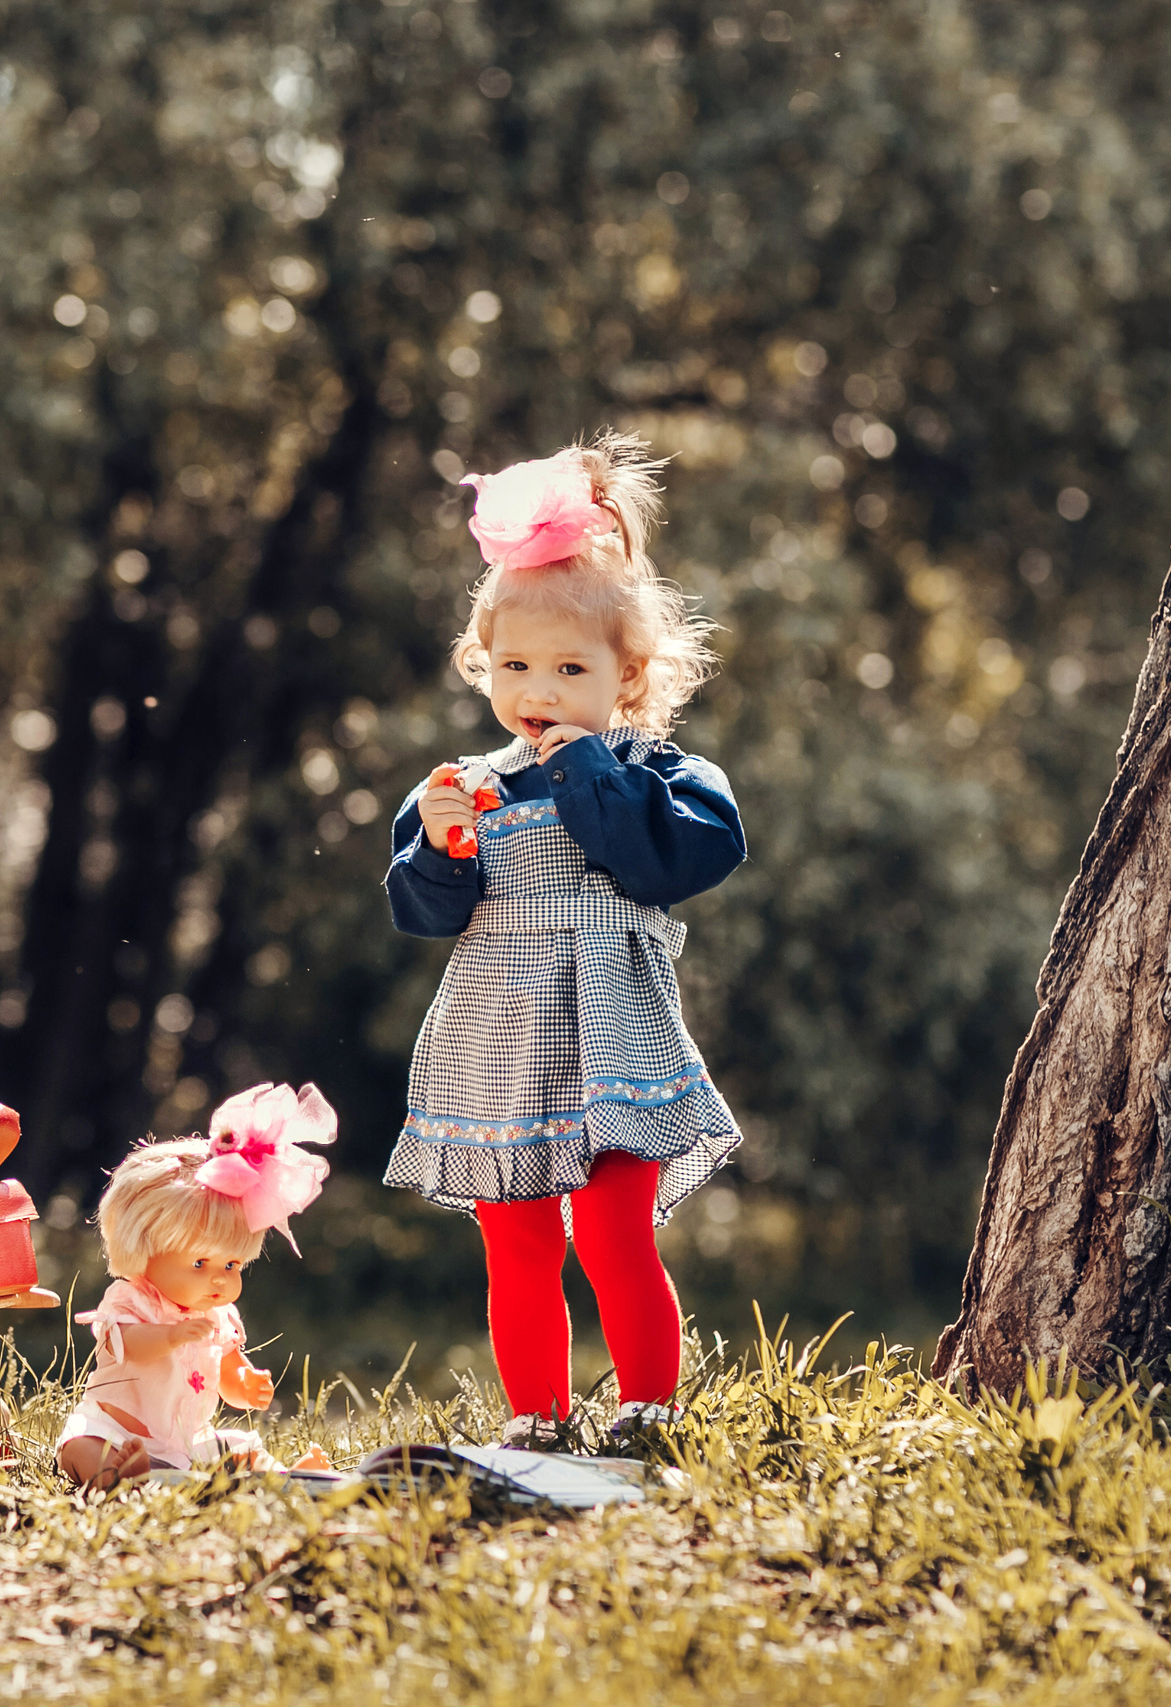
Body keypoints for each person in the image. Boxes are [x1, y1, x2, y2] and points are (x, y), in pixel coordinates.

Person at [382, 432, 745, 1447]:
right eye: (515, 666)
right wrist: (439, 849)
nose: (537, 691)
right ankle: (535, 1421)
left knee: (615, 1231)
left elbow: (675, 860)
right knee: (518, 1243)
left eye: (568, 667)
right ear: (482, 663)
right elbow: (423, 912)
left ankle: (647, 1410)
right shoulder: (466, 787)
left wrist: (584, 769)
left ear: (628, 674)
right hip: (502, 1043)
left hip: (614, 1033)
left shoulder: (659, 774)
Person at [57, 1083, 338, 1489]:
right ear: (145, 1248)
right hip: (115, 1429)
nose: (220, 1278)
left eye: (232, 1264)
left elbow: (228, 1372)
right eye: (200, 1263)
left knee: (238, 1449)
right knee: (79, 1447)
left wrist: (246, 1385)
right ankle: (119, 1474)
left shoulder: (218, 1316)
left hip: (185, 1442)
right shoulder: (132, 1300)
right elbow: (127, 1346)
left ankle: (285, 1476)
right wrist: (170, 1336)